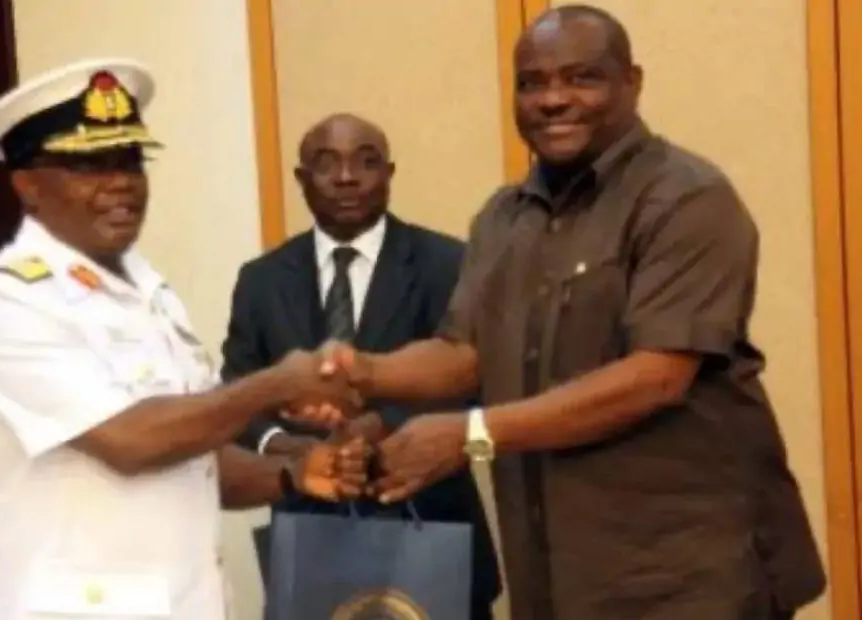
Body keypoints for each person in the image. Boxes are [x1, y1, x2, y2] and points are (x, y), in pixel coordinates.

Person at [313, 6, 827, 620]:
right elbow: (466, 353)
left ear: (632, 82)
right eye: (532, 83)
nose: (553, 99)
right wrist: (360, 372)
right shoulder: (503, 217)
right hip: (559, 573)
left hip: (686, 574)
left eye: (582, 77)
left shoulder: (685, 198)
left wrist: (471, 436)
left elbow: (657, 376)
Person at [0, 58, 366, 620]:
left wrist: (292, 475)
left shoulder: (149, 292)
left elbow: (196, 455)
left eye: (131, 161)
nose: (120, 184)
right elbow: (130, 441)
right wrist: (277, 385)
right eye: (90, 165)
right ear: (27, 185)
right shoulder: (7, 301)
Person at [224, 113, 501, 619]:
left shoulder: (448, 263)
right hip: (311, 535)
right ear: (301, 179)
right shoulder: (261, 279)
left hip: (432, 528)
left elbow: (476, 380)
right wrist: (287, 446)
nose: (347, 177)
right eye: (327, 164)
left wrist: (381, 428)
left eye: (366, 162)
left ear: (389, 173)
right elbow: (239, 395)